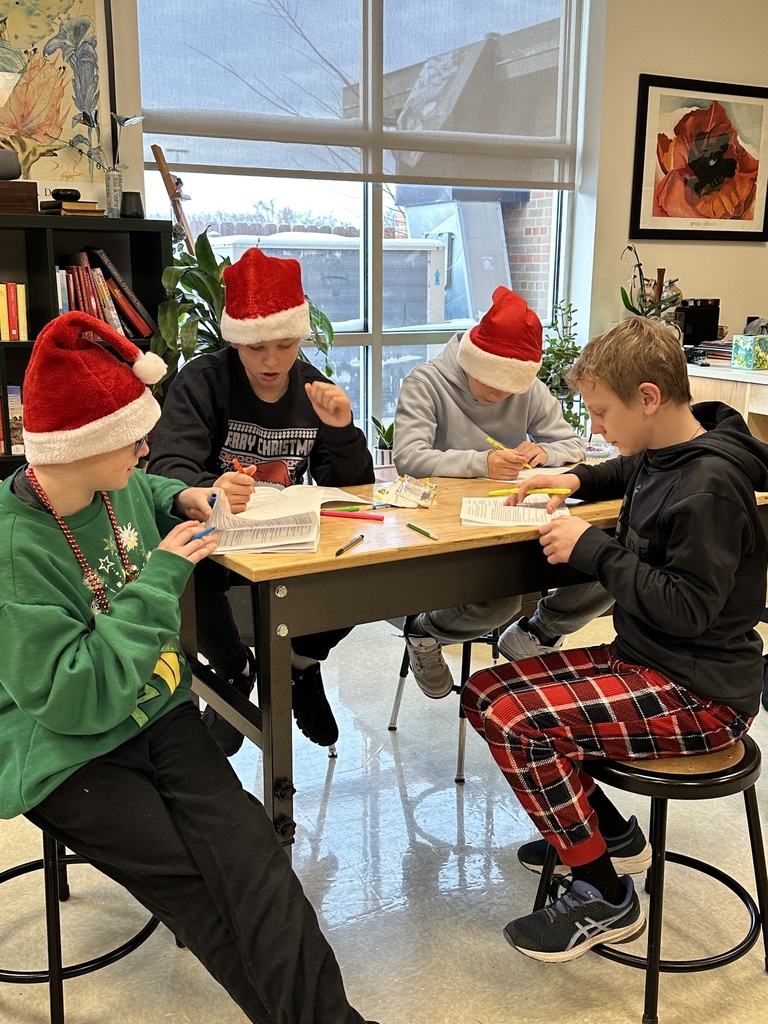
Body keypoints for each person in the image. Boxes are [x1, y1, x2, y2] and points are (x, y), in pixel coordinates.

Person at [0, 311, 378, 1024]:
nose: (147, 447)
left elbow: (143, 491)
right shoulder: (15, 551)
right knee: (199, 888)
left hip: (155, 709)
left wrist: (186, 495)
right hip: (65, 747)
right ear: (83, 446)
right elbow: (73, 697)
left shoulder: (107, 484)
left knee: (254, 860)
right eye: (131, 439)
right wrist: (160, 577)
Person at [461, 317, 768, 963]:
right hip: (650, 661)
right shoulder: (672, 447)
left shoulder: (710, 487)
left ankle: (604, 894)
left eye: (602, 413)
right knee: (483, 690)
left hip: (702, 693)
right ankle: (610, 836)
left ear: (648, 398)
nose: (596, 428)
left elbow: (688, 610)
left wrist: (593, 550)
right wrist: (573, 479)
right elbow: (630, 469)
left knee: (516, 721)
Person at [148, 247, 374, 754]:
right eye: (255, 349)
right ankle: (234, 669)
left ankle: (300, 665)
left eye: (285, 345)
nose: (271, 361)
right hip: (217, 540)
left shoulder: (314, 388)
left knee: (361, 560)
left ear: (300, 337)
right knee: (191, 566)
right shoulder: (204, 382)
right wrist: (209, 490)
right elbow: (167, 468)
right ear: (234, 340)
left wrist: (341, 431)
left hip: (286, 537)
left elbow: (353, 494)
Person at [393, 286, 613, 698]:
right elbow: (408, 457)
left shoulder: (528, 389)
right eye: (490, 382)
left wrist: (545, 452)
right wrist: (481, 462)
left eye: (509, 388)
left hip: (511, 517)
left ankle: (537, 633)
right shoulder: (426, 382)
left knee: (611, 562)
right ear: (470, 358)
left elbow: (573, 443)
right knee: (501, 601)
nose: (498, 395)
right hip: (444, 527)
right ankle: (425, 632)